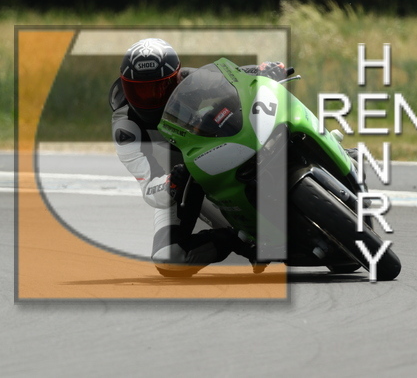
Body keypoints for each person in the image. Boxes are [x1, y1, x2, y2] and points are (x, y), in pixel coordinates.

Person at [108, 38, 292, 277]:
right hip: (178, 184)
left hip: (215, 150)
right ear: (126, 87)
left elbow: (234, 78)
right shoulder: (126, 128)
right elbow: (149, 188)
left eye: (161, 87)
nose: (153, 97)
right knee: (169, 258)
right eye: (141, 91)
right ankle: (236, 239)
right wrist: (171, 182)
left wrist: (262, 70)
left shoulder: (189, 82)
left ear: (176, 79)